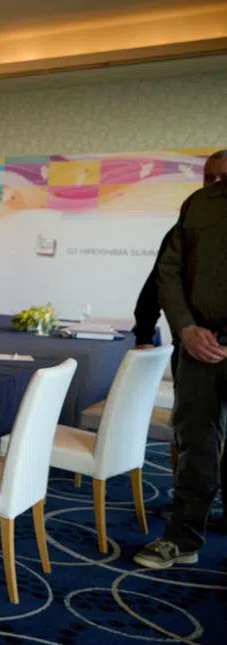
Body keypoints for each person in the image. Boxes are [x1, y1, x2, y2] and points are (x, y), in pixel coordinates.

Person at [135, 153, 227, 569]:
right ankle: (182, 537)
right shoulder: (197, 205)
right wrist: (186, 327)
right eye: (211, 176)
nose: (216, 182)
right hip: (197, 347)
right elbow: (166, 272)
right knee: (194, 444)